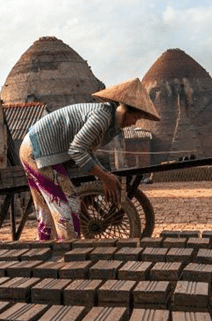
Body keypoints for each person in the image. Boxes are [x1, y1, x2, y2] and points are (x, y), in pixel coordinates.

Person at [19, 78, 160, 241]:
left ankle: (46, 248)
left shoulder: (107, 121)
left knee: (47, 208)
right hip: (38, 150)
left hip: (37, 148)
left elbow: (87, 151)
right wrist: (104, 177)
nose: (134, 122)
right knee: (66, 205)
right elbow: (77, 150)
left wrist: (105, 175)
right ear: (123, 109)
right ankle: (69, 251)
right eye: (135, 117)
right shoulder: (102, 117)